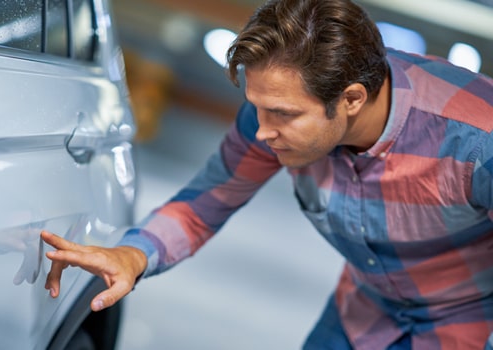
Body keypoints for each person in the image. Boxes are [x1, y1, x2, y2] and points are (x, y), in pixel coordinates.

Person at [40, 0, 493, 348]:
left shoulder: (477, 142)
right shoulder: (274, 116)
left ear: (352, 99)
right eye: (257, 107)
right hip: (364, 312)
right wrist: (132, 256)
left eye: (282, 114)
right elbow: (206, 203)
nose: (262, 131)